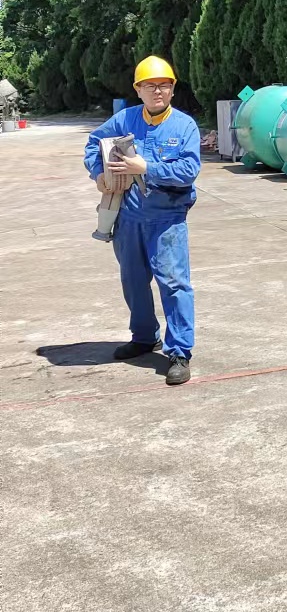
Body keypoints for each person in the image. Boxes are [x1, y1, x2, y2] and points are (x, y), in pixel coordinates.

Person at [83, 56, 201, 385]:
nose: (157, 91)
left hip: (167, 218)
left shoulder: (184, 126)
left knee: (174, 283)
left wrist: (145, 167)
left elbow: (189, 171)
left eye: (164, 85)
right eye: (149, 85)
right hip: (129, 216)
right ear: (138, 90)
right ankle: (145, 336)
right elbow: (93, 144)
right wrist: (99, 174)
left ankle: (180, 351)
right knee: (133, 281)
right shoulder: (125, 119)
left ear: (173, 89)